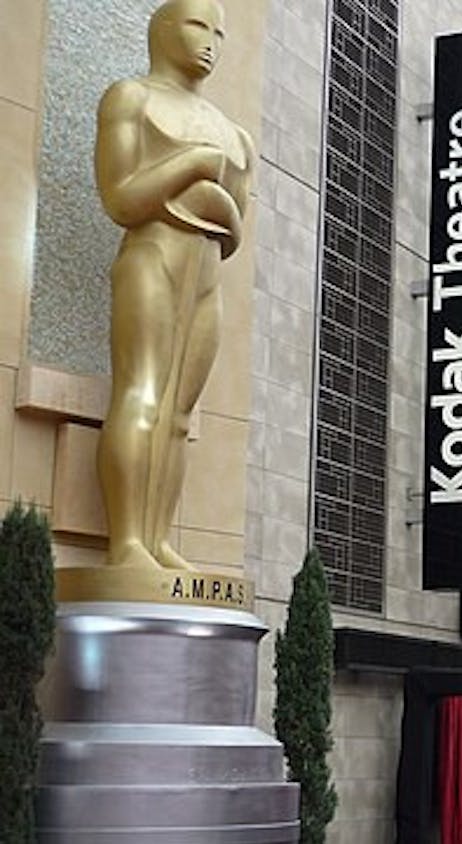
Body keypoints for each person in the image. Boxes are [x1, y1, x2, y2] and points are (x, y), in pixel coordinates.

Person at [95, 0, 254, 571]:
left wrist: (208, 195)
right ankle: (127, 543)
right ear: (163, 29)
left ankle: (158, 538)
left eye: (219, 32)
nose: (211, 42)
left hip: (206, 271)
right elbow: (121, 198)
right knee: (141, 393)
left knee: (180, 415)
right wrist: (195, 168)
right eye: (196, 26)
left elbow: (234, 228)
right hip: (151, 259)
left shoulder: (234, 134)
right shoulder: (130, 98)